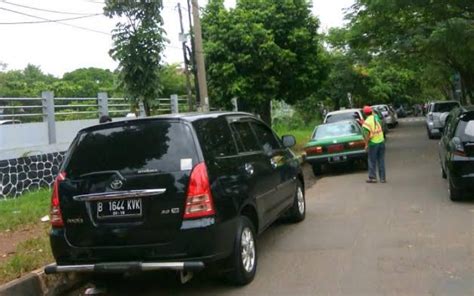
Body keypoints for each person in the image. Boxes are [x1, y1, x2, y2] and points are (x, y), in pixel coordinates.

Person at [362, 105, 386, 183]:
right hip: (381, 141)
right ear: (371, 112)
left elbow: (366, 135)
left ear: (365, 114)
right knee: (381, 160)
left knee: (372, 161)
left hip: (373, 143)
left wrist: (366, 145)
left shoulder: (366, 123)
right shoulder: (376, 118)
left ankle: (373, 177)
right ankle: (382, 178)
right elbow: (380, 125)